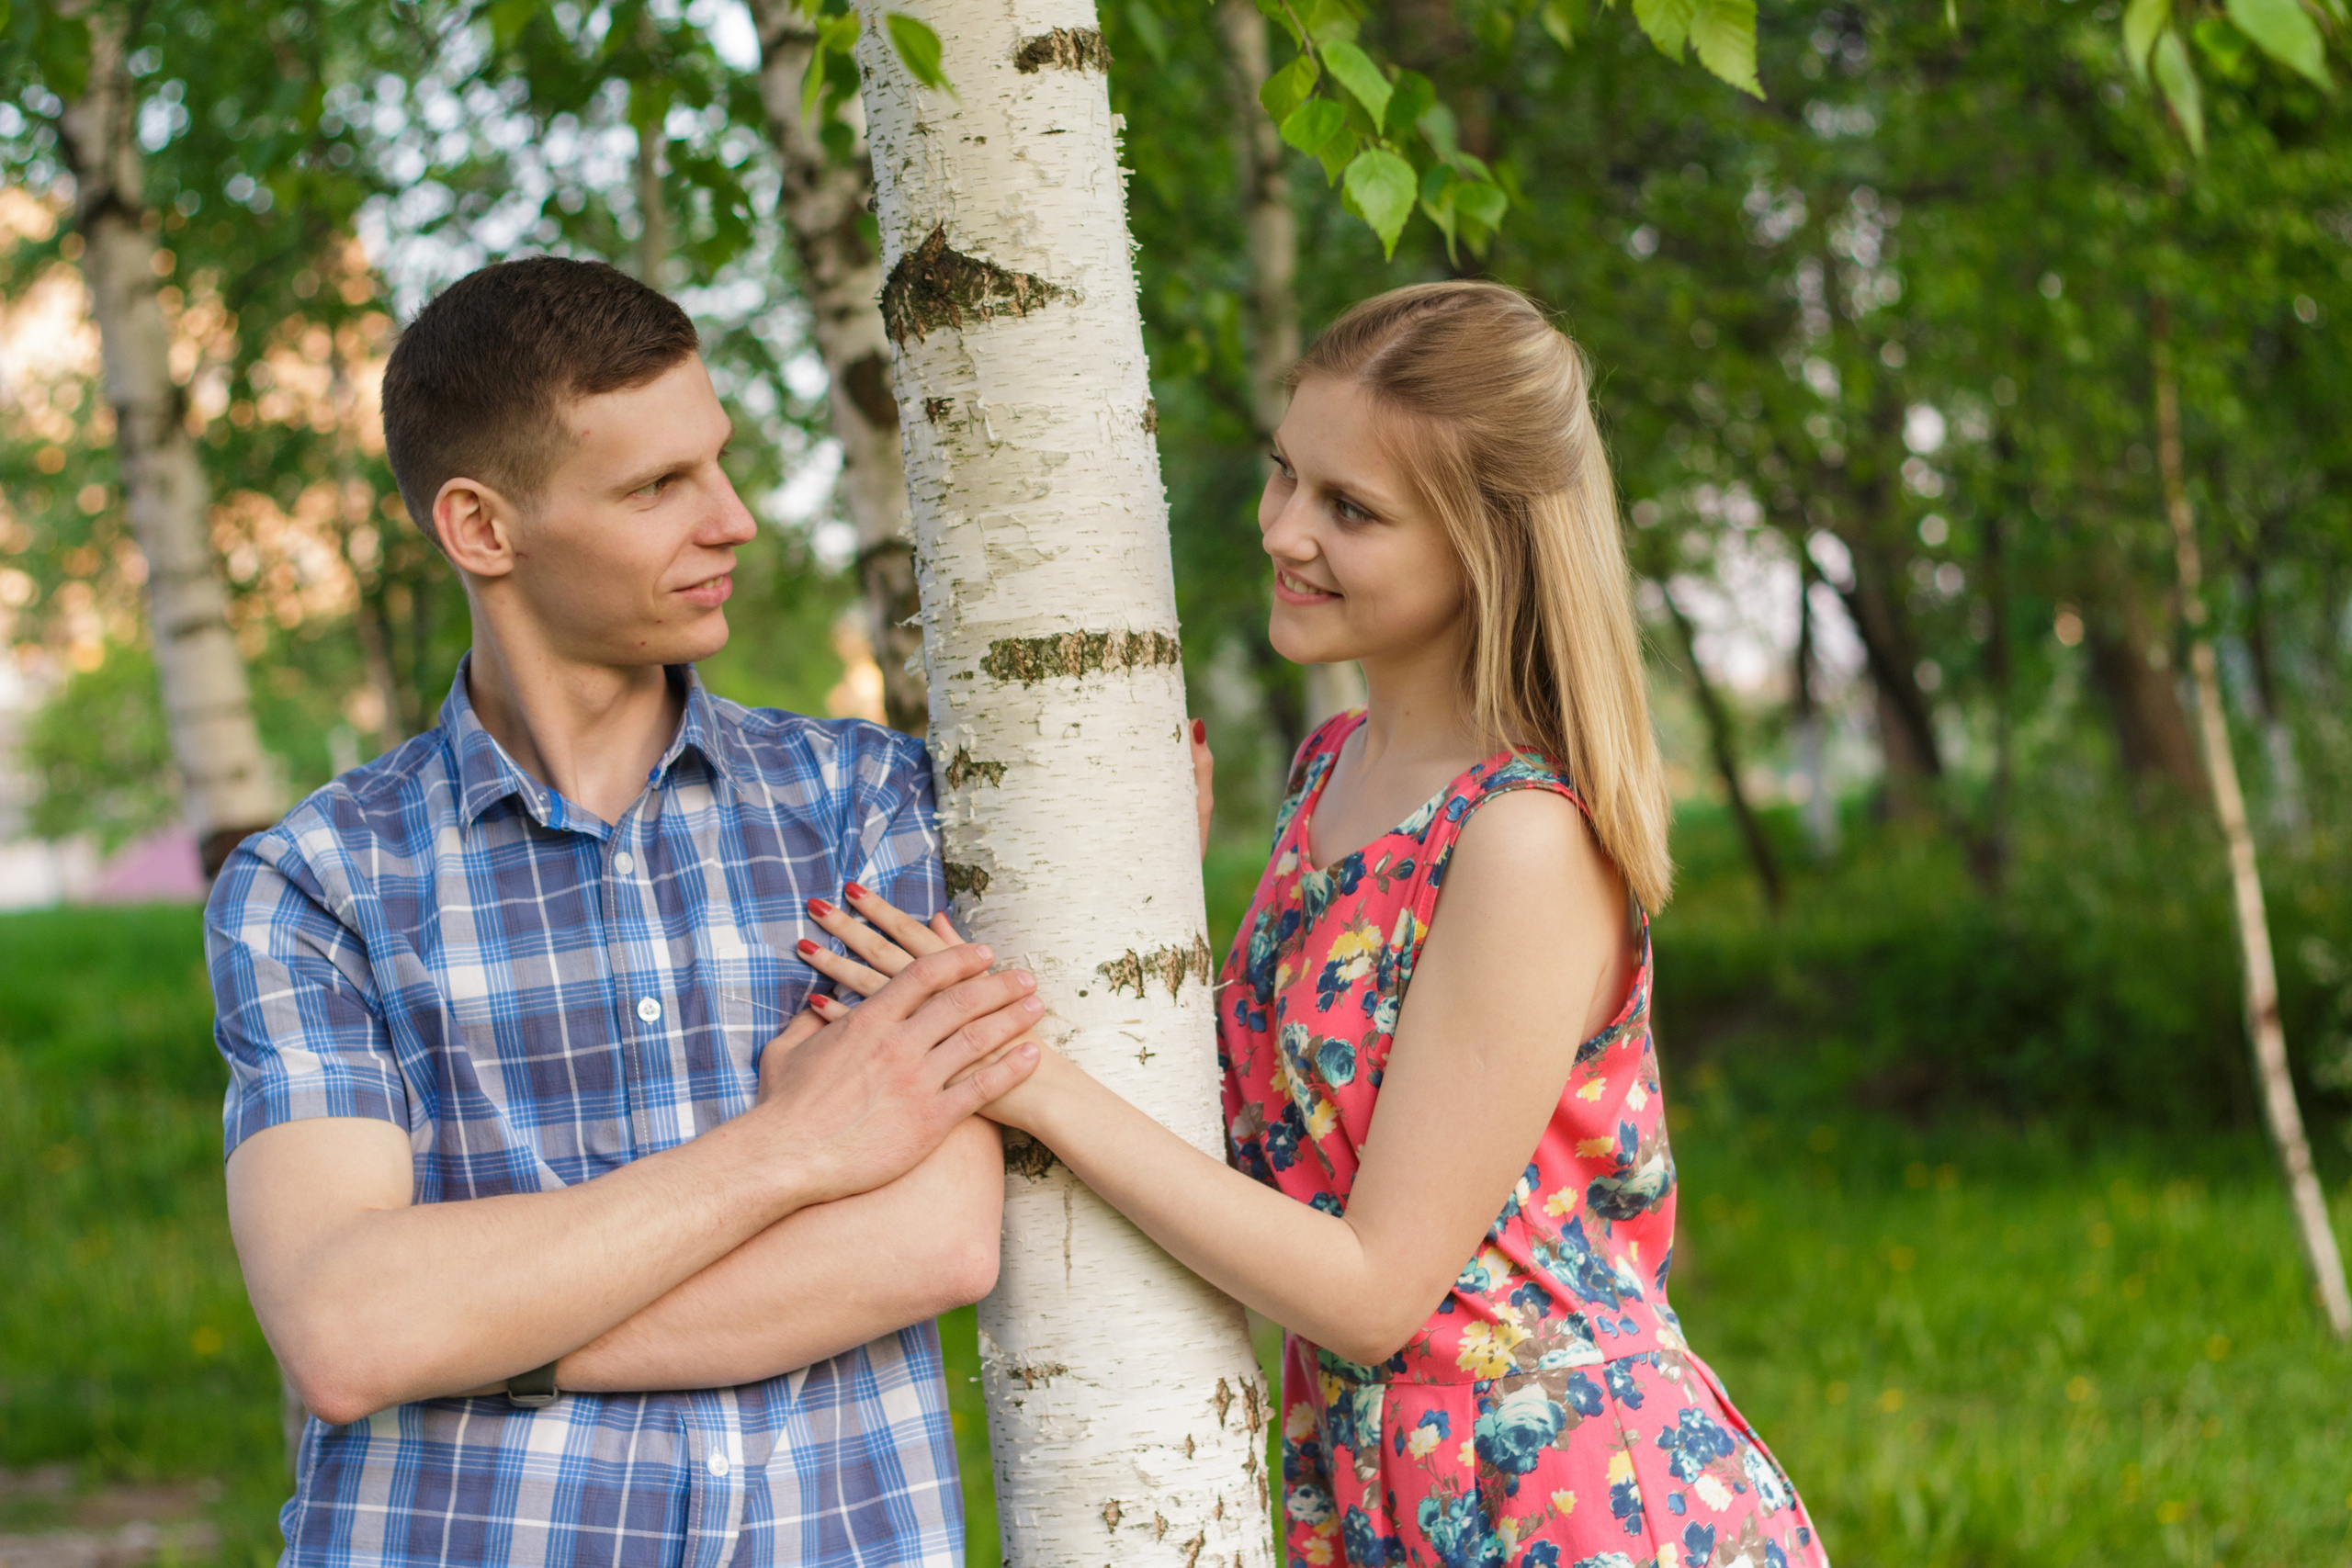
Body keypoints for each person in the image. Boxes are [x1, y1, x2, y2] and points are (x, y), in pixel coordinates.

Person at [800, 281, 1829, 1567]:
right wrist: (1136, 901)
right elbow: (1253, 1149)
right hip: (1381, 1483)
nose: (1283, 529)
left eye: (1352, 509)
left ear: (1486, 547)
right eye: (1287, 472)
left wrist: (1024, 1076)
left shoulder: (1524, 838)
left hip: (1564, 1500)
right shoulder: (1332, 769)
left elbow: (1373, 1291)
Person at [204, 256, 1042, 1568]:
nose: (735, 520)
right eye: (659, 487)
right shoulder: (315, 883)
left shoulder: (868, 805)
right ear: (483, 529)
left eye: (716, 463)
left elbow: (931, 1243)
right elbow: (347, 1329)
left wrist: (479, 1335)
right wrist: (789, 1149)